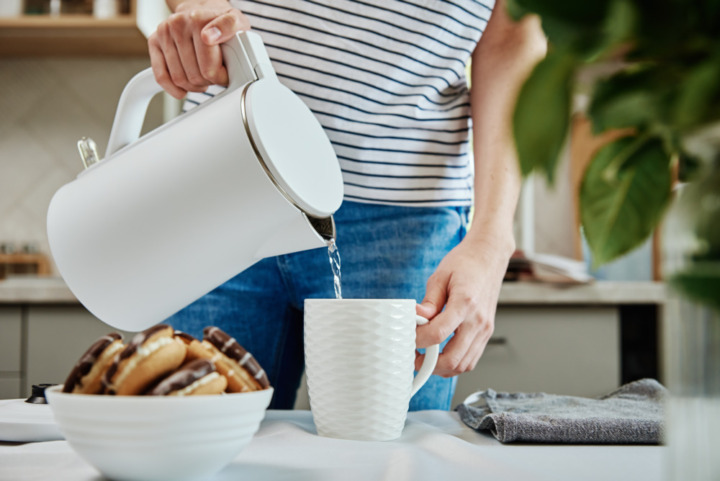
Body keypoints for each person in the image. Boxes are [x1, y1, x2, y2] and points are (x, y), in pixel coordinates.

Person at [149, 0, 546, 410]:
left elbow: (512, 37)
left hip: (402, 217)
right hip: (224, 179)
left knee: (388, 461)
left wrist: (491, 240)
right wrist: (198, 10)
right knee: (198, 452)